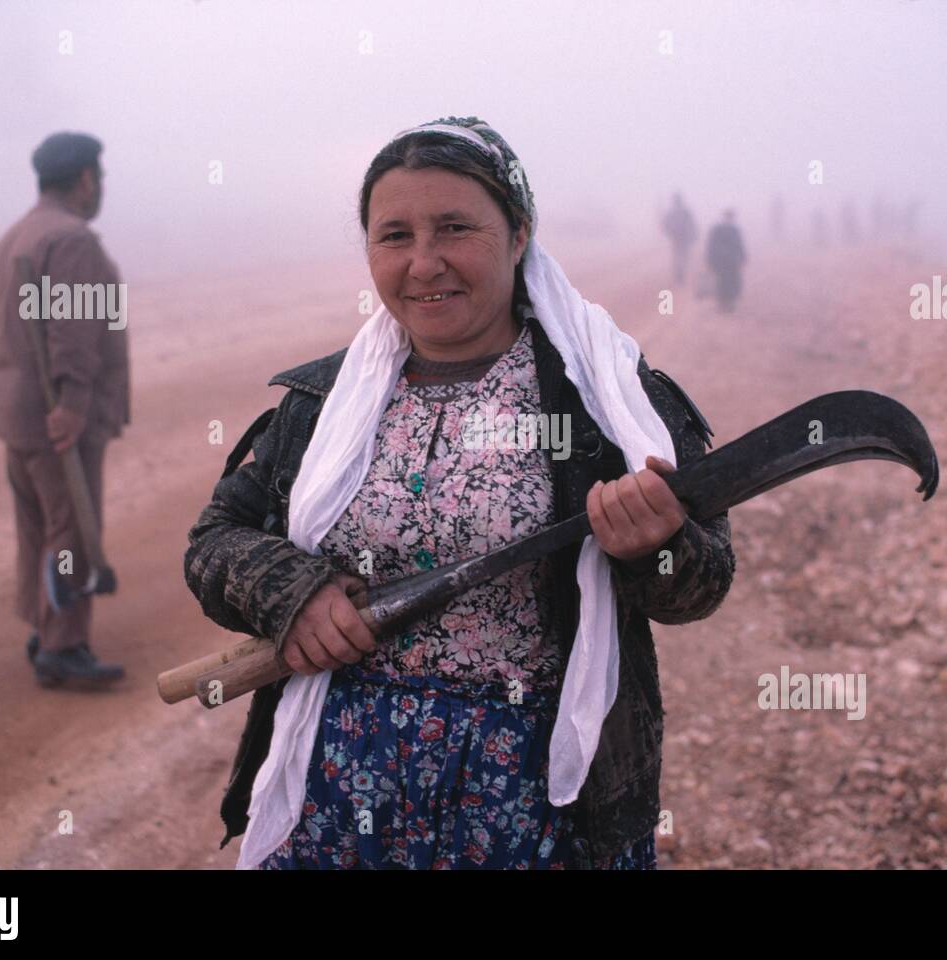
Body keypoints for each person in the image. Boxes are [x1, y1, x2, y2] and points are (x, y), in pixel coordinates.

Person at [184, 116, 735, 870]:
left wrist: (656, 550)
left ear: (518, 234)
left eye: (454, 228)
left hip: (538, 793)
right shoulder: (321, 402)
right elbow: (215, 540)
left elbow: (700, 587)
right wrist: (290, 592)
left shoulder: (606, 400)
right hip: (341, 781)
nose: (424, 263)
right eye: (395, 236)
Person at [0, 131, 129, 687]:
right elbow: (74, 330)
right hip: (54, 415)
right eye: (102, 178)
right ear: (86, 179)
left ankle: (46, 628)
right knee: (70, 528)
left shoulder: (15, 236)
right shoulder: (71, 239)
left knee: (37, 525)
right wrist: (72, 404)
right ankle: (63, 648)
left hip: (13, 409)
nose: (102, 188)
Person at [705, 208, 748, 313]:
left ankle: (722, 303)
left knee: (721, 281)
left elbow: (711, 246)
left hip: (720, 261)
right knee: (732, 281)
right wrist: (742, 257)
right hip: (732, 261)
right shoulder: (735, 230)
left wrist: (710, 259)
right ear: (732, 217)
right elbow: (740, 246)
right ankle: (730, 303)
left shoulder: (716, 229)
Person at [660, 192, 698, 285]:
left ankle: (679, 275)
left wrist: (669, 233)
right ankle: (681, 275)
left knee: (677, 257)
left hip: (676, 237)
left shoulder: (671, 212)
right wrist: (693, 235)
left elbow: (665, 224)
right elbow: (692, 224)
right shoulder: (685, 211)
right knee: (683, 257)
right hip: (683, 238)